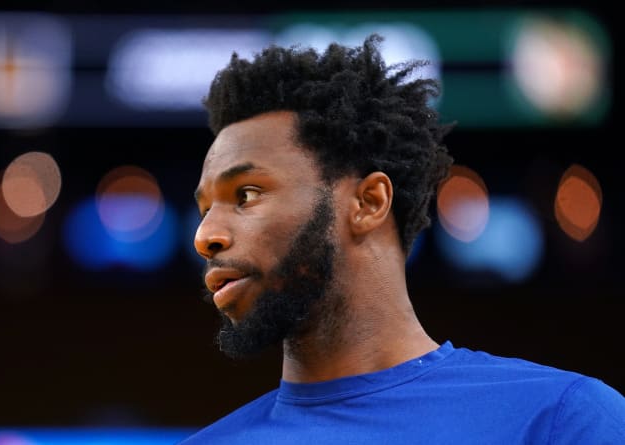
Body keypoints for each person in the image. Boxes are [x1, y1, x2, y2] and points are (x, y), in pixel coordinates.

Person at [181, 35, 625, 444]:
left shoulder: (562, 419)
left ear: (369, 202)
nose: (205, 237)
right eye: (205, 209)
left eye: (247, 194)